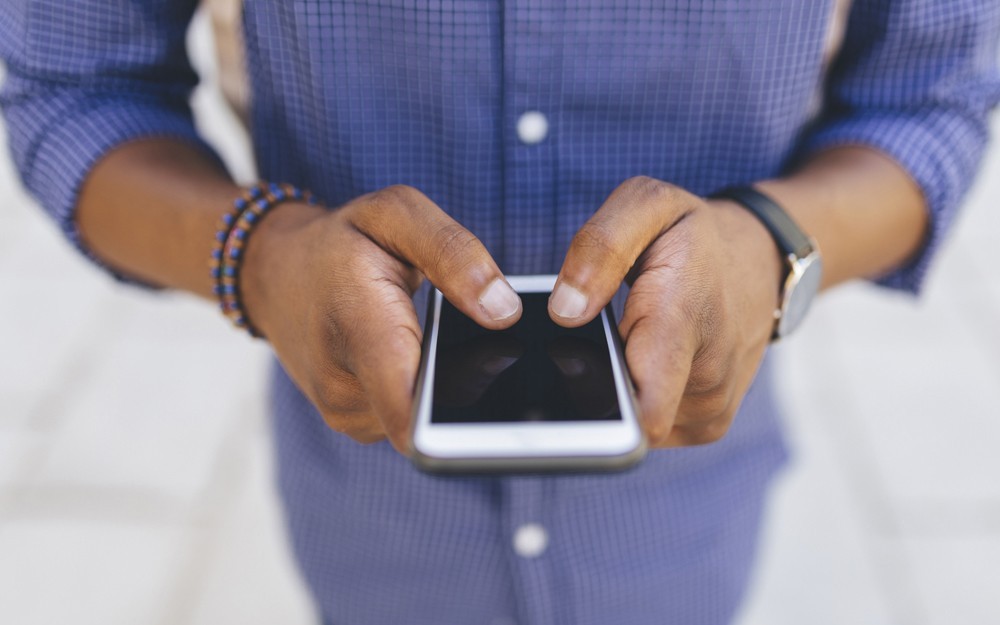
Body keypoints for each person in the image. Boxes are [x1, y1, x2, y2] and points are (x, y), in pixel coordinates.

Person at [1, 2, 998, 624]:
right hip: (368, 522)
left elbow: (931, 102)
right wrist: (266, 258)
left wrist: (769, 241)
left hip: (686, 519)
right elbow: (74, 89)